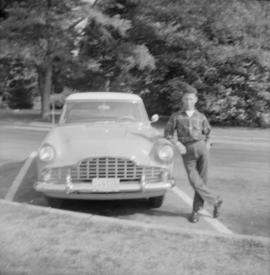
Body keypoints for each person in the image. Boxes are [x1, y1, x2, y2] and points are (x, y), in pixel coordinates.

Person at [164, 84, 222, 223]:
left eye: (191, 99)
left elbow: (208, 133)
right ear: (182, 101)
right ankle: (215, 200)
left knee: (202, 181)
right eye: (185, 99)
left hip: (202, 149)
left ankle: (196, 212)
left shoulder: (201, 116)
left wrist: (207, 145)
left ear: (195, 100)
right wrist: (178, 144)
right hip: (187, 150)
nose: (188, 102)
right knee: (195, 181)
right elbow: (168, 134)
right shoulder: (176, 117)